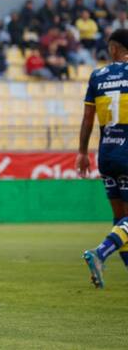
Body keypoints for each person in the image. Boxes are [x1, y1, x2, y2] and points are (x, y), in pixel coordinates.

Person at [78, 29, 128, 288]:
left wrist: (82, 152)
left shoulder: (98, 76)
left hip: (107, 153)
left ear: (113, 48)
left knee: (121, 219)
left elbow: (88, 119)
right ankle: (101, 253)